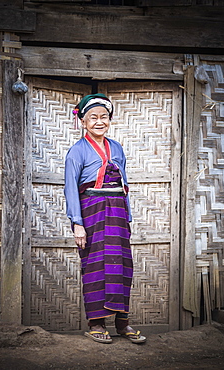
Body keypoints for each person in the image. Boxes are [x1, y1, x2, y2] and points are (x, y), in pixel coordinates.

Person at [64, 93, 146, 344]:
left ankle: (123, 323)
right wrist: (77, 223)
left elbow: (124, 184)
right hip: (92, 214)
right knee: (95, 265)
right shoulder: (77, 151)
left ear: (109, 120)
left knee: (121, 265)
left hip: (118, 213)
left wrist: (128, 216)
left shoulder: (117, 148)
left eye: (104, 117)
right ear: (83, 122)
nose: (99, 122)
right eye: (93, 117)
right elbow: (70, 188)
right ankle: (96, 323)